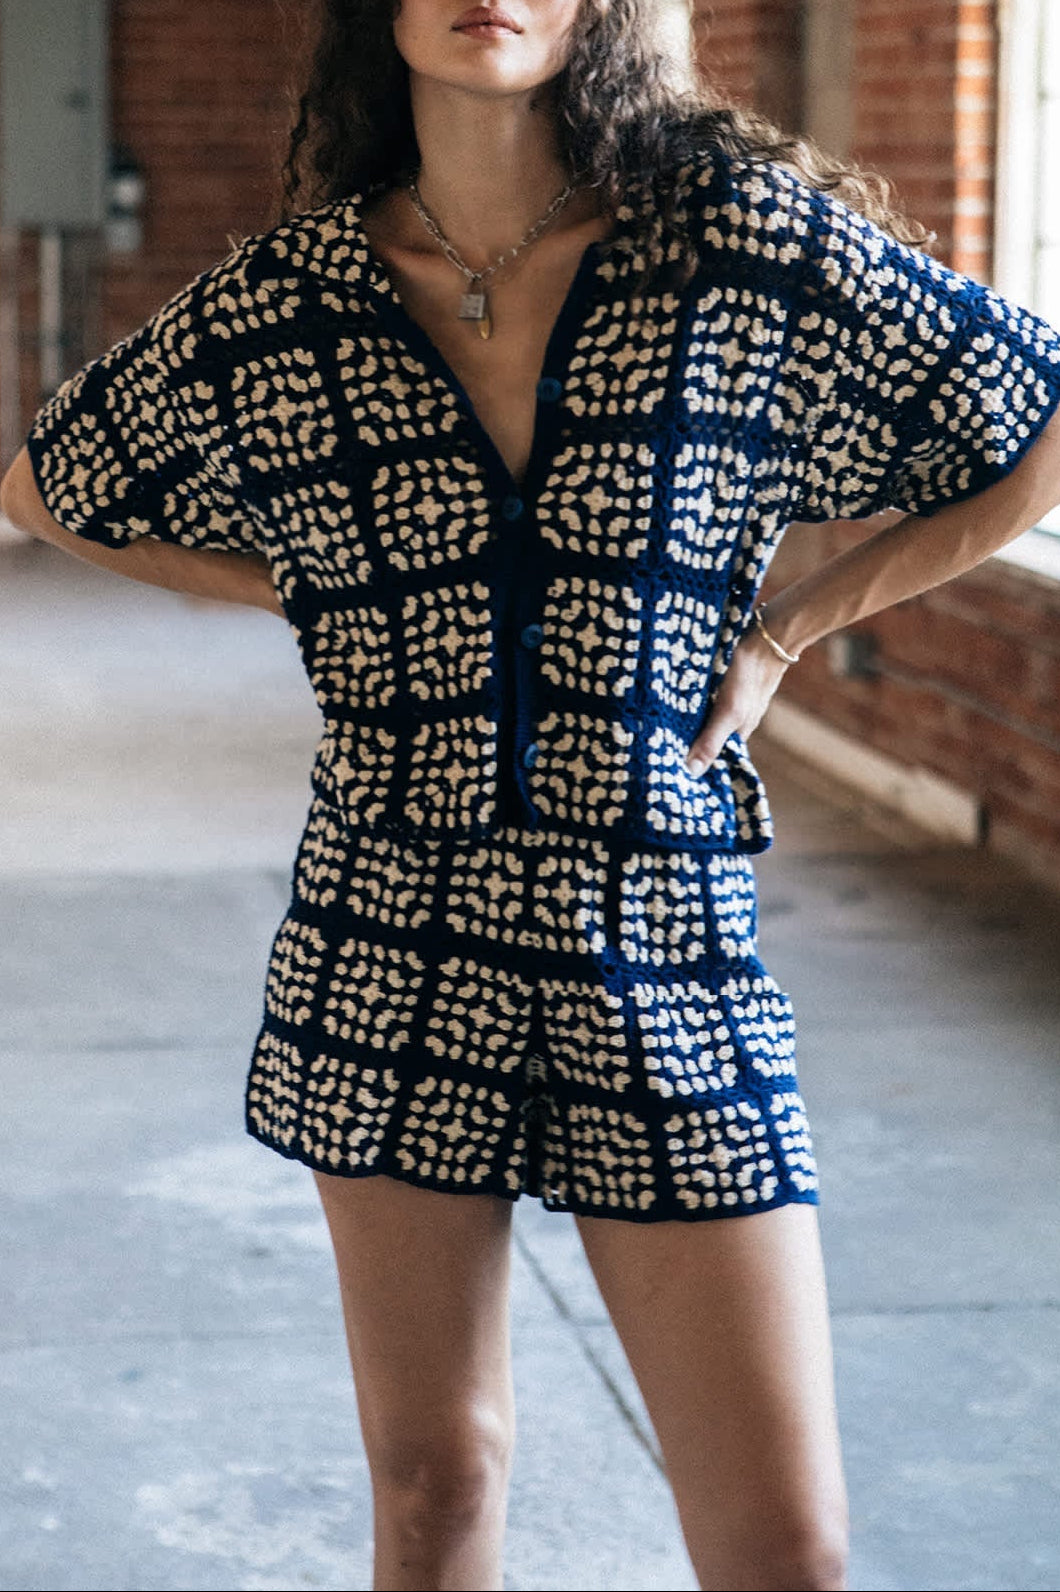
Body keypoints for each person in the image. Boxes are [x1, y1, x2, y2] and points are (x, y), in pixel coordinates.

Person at [4, 2, 1060, 1588]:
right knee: (438, 1484)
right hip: (388, 937)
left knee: (789, 1546)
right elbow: (51, 486)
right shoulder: (294, 301)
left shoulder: (731, 246)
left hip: (657, 923)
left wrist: (784, 632)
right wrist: (317, 588)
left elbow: (1036, 420)